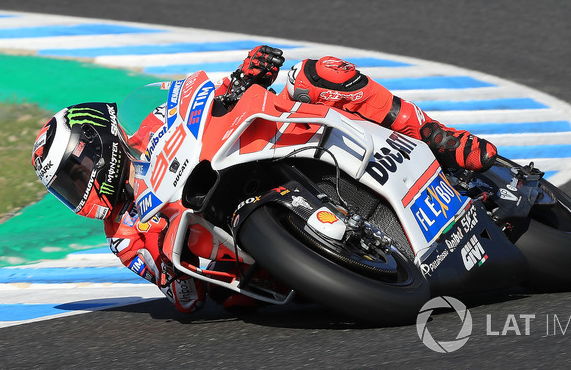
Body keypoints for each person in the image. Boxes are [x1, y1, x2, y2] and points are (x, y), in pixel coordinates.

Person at [31, 46, 498, 313]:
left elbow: (207, 100)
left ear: (97, 141)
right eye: (67, 186)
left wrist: (243, 79)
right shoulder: (122, 235)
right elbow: (186, 297)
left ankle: (436, 136)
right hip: (252, 260)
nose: (81, 185)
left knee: (317, 73)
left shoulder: (152, 120)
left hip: (250, 153)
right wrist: (166, 247)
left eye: (76, 171)